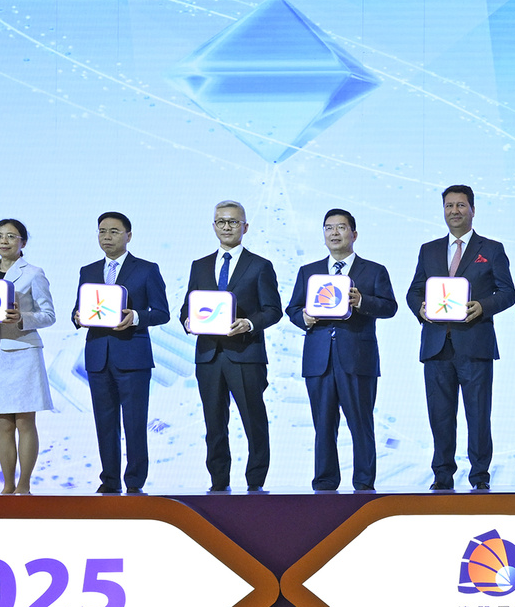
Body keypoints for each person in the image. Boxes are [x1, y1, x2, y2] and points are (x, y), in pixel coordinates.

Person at [407, 184, 515, 492]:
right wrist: (421, 308)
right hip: (436, 345)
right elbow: (414, 291)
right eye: (449, 206)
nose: (454, 211)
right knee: (440, 416)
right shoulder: (428, 250)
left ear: (473, 210)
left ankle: (479, 477)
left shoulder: (491, 249)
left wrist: (482, 306)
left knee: (478, 415)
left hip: (475, 344)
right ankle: (442, 476)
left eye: (460, 205)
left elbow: (508, 293)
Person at [287, 208, 397, 491]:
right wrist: (304, 318)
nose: (334, 233)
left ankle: (363, 483)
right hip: (318, 358)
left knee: (361, 423)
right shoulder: (308, 271)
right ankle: (325, 483)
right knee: (323, 425)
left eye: (341, 227)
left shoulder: (374, 270)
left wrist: (362, 302)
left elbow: (389, 307)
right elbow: (293, 308)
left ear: (354, 234)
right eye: (329, 228)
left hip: (357, 358)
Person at [185, 200, 282, 493]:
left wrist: (249, 323)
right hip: (209, 355)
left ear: (245, 227)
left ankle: (255, 484)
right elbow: (187, 307)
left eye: (233, 222)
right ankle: (218, 483)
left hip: (245, 355)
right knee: (214, 424)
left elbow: (273, 310)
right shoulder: (200, 265)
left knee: (254, 421)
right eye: (221, 221)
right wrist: (188, 321)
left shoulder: (260, 265)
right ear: (214, 226)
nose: (227, 227)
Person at [71, 211, 169, 494]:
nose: (107, 237)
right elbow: (78, 308)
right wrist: (77, 316)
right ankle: (109, 481)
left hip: (133, 356)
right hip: (98, 356)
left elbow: (162, 313)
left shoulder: (146, 269)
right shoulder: (88, 271)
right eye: (102, 231)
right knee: (104, 423)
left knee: (135, 422)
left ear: (129, 235)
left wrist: (135, 317)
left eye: (114, 231)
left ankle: (135, 482)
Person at [0, 218, 53, 494]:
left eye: (11, 236)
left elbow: (49, 315)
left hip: (24, 353)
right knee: (3, 423)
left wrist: (21, 318)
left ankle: (24, 486)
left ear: (22, 242)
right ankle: (7, 486)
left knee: (25, 421)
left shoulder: (34, 273)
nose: (4, 241)